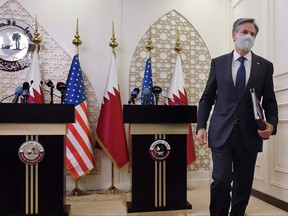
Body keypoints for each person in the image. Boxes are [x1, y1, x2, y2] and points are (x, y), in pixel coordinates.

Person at [196, 18, 278, 216]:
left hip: (249, 133)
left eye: (252, 34)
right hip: (221, 131)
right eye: (244, 32)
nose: (248, 36)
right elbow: (207, 98)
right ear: (234, 34)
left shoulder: (265, 66)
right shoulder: (219, 63)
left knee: (243, 183)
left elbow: (270, 101)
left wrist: (272, 125)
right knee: (222, 179)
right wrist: (201, 127)